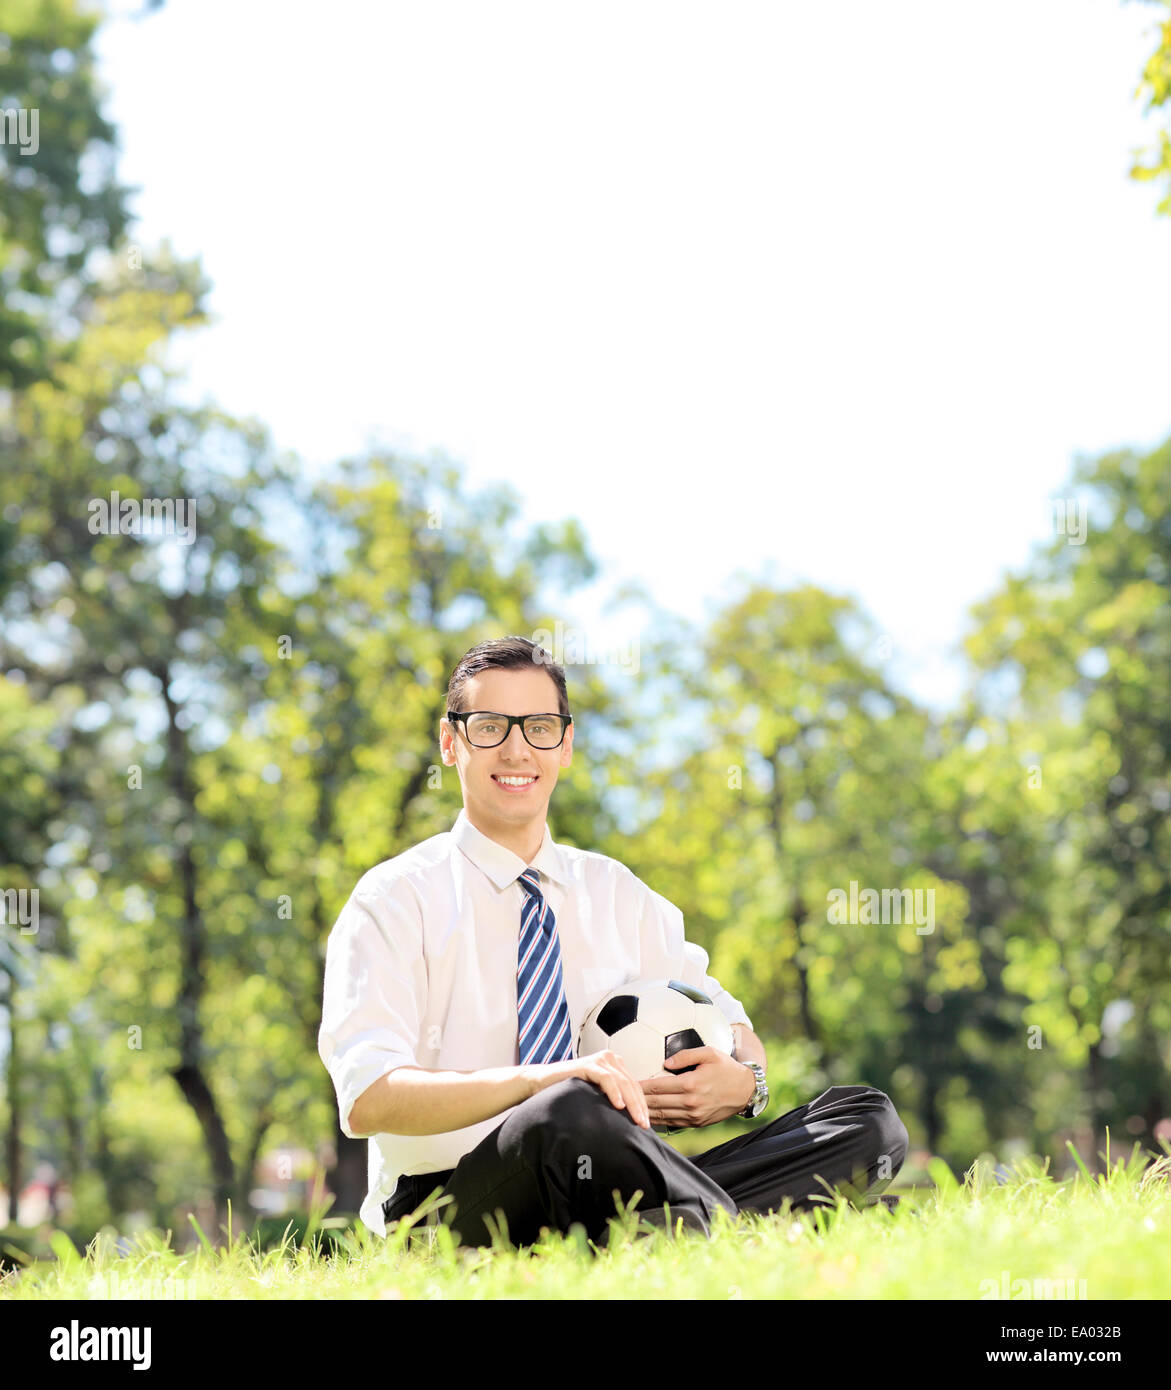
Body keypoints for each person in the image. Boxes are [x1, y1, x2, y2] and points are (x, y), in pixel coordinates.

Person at [317, 635, 909, 1249]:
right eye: (490, 726)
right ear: (450, 741)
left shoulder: (617, 892)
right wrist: (543, 1081)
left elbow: (734, 1028)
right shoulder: (392, 898)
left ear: (565, 744)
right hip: (446, 1207)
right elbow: (369, 1099)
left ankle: (673, 1229)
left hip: (617, 1179)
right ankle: (740, 1230)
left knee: (863, 1120)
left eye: (540, 727)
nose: (518, 748)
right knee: (568, 1110)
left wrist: (747, 1083)